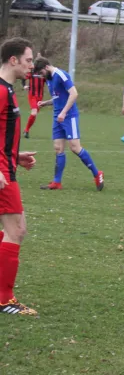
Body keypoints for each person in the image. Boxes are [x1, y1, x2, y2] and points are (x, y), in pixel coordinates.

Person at [0, 37, 38, 316]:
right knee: (16, 230)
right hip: (2, 174)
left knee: (11, 231)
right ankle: (4, 299)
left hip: (7, 167)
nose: (31, 65)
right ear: (13, 60)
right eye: (28, 60)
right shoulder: (1, 91)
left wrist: (17, 156)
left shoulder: (8, 91)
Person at [34, 57, 104, 191]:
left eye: (42, 73)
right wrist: (45, 103)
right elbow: (58, 97)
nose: (42, 76)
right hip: (57, 116)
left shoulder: (61, 75)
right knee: (58, 148)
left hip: (68, 115)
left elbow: (74, 94)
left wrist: (64, 113)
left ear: (47, 67)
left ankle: (97, 174)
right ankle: (56, 182)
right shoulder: (49, 79)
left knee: (75, 147)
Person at [21, 53, 45, 138]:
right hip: (32, 95)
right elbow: (23, 78)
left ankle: (26, 130)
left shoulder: (43, 72)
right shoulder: (32, 71)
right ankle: (26, 130)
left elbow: (49, 81)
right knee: (34, 112)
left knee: (34, 114)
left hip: (40, 96)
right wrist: (24, 86)